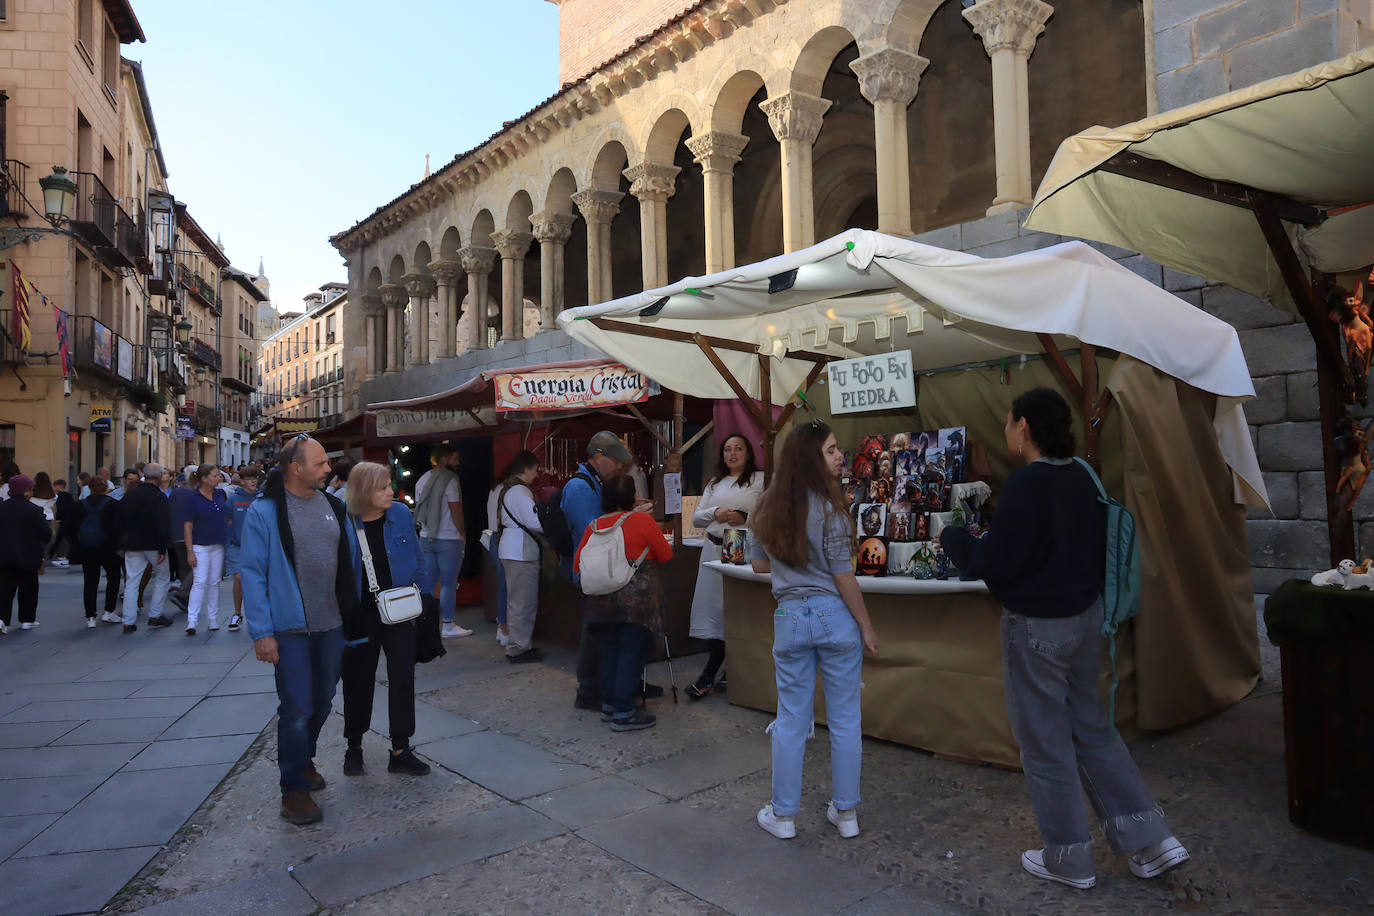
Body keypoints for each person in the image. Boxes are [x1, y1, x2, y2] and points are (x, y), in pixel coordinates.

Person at [940, 387, 1189, 889]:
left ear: (1024, 426)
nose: (1008, 430)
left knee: (1046, 744)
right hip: (1086, 620)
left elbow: (994, 565)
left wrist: (953, 537)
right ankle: (1153, 839)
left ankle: (1069, 858)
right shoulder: (1083, 475)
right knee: (1095, 731)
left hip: (1037, 628)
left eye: (1010, 422)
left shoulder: (1027, 486)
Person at [749, 419, 879, 841]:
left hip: (789, 618)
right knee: (844, 720)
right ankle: (847, 814)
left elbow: (759, 564)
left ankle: (783, 816)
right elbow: (844, 576)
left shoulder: (768, 504)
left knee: (791, 720)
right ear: (811, 457)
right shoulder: (832, 507)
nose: (840, 455)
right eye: (831, 449)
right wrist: (867, 625)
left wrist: (793, 562)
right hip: (834, 616)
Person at [240, 434, 363, 826]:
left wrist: (353, 611)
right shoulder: (265, 512)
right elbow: (253, 573)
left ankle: (303, 758)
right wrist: (262, 631)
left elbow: (352, 562)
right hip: (289, 628)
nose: (329, 468)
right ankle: (292, 789)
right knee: (296, 709)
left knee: (324, 700)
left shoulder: (333, 505)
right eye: (322, 463)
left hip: (331, 624)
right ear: (296, 468)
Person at [340, 461, 431, 777]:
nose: (391, 492)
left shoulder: (401, 514)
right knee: (357, 680)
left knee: (403, 676)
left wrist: (423, 595)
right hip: (360, 614)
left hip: (399, 610)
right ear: (364, 491)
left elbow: (418, 557)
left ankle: (400, 749)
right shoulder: (344, 520)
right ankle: (354, 747)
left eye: (389, 485)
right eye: (383, 487)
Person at [573, 474, 673, 731]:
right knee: (631, 653)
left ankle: (610, 705)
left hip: (600, 603)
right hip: (635, 604)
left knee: (609, 653)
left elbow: (578, 564)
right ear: (632, 497)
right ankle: (624, 712)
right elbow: (665, 554)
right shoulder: (642, 520)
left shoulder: (593, 526)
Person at [686, 433, 765, 700]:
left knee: (732, 606)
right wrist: (715, 513)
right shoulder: (714, 482)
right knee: (713, 608)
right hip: (712, 545)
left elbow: (768, 515)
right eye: (728, 449)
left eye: (738, 449)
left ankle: (711, 673)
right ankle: (723, 668)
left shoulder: (760, 479)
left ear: (748, 452)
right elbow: (697, 518)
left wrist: (745, 516)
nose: (732, 454)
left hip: (738, 543)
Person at [561, 430, 635, 708]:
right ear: (599, 457)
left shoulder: (593, 483)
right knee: (595, 633)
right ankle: (589, 691)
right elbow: (593, 532)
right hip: (591, 573)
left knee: (606, 630)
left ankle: (615, 683)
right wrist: (629, 519)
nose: (619, 466)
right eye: (615, 460)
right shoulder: (580, 488)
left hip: (600, 570)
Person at [414, 444, 472, 639]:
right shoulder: (450, 480)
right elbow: (455, 509)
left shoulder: (422, 479)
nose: (459, 462)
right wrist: (462, 532)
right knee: (448, 583)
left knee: (428, 585)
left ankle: (426, 625)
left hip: (426, 537)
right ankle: (448, 625)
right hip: (449, 538)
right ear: (445, 459)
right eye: (455, 458)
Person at [496, 450, 544, 663]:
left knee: (518, 601)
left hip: (513, 548)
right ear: (526, 469)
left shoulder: (510, 489)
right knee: (522, 602)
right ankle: (518, 648)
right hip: (520, 551)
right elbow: (535, 522)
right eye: (535, 470)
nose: (536, 474)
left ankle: (519, 644)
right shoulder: (520, 492)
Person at [120, 463, 173, 632]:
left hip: (133, 544)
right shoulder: (159, 497)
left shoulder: (130, 495)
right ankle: (155, 615)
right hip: (153, 544)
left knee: (132, 581)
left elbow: (120, 520)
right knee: (162, 578)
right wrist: (163, 548)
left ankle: (128, 621)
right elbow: (163, 524)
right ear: (158, 477)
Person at [0, 475, 51, 633]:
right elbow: (46, 533)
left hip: (5, 556)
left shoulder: (2, 508)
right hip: (29, 556)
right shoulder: (34, 510)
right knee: (28, 588)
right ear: (25, 491)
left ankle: (2, 620)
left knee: (4, 590)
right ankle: (27, 619)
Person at [71, 477, 122, 628]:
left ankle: (90, 616)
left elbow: (71, 527)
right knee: (113, 578)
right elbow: (119, 527)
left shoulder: (80, 505)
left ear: (90, 488)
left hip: (87, 548)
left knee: (90, 581)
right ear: (106, 487)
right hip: (109, 548)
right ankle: (109, 611)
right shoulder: (114, 505)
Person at [184, 464, 229, 635]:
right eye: (215, 476)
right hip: (199, 544)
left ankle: (213, 618)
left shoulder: (220, 494)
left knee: (214, 581)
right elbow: (187, 526)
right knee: (200, 581)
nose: (219, 478)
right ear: (204, 479)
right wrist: (190, 551)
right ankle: (192, 620)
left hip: (218, 543)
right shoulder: (193, 498)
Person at [225, 466, 261, 632]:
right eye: (249, 478)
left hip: (258, 547)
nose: (253, 481)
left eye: (255, 478)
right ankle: (238, 613)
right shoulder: (233, 499)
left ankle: (257, 614)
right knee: (239, 577)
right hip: (237, 546)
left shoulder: (261, 498)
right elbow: (228, 522)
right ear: (241, 481)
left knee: (257, 581)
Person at [484, 481, 510, 646]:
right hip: (502, 535)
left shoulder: (495, 488)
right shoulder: (509, 489)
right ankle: (504, 626)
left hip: (492, 535)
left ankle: (502, 626)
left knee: (503, 583)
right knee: (506, 584)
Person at [50, 477, 75, 566]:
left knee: (61, 538)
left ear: (59, 486)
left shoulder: (60, 496)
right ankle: (53, 553)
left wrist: (58, 518)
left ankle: (51, 554)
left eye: (54, 486)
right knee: (63, 538)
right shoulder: (68, 495)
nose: (53, 488)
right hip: (69, 520)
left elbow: (61, 508)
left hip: (64, 520)